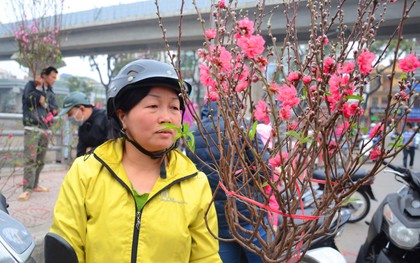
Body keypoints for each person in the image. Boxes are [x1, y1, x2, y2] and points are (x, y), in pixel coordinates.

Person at [46, 59, 221, 262]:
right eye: (153, 105)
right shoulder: (86, 173)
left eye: (174, 107)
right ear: (122, 116)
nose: (167, 117)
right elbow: (66, 248)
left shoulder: (194, 183)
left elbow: (206, 257)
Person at [186, 101, 268, 263]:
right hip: (248, 214)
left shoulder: (192, 134)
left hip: (216, 219)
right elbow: (263, 170)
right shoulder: (242, 127)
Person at [19, 66, 59, 201]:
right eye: (52, 76)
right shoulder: (30, 86)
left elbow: (55, 110)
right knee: (30, 159)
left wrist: (45, 103)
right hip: (32, 127)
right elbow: (27, 100)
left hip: (45, 129)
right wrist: (38, 92)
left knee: (40, 160)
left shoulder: (50, 92)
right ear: (45, 75)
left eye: (55, 77)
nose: (54, 80)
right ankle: (27, 189)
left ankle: (34, 185)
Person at [58, 91, 111, 157]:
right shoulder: (82, 126)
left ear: (82, 109)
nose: (69, 118)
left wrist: (91, 151)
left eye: (70, 114)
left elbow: (111, 148)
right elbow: (80, 154)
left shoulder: (106, 119)